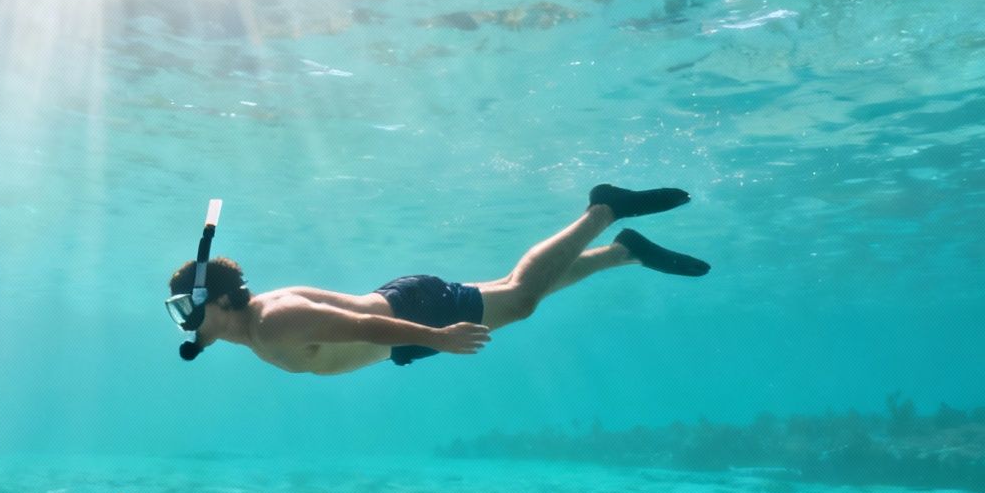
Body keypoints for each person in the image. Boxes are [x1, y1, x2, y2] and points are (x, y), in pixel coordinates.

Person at [163, 184, 707, 375]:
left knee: (520, 297)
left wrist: (437, 338)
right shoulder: (262, 321)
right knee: (514, 291)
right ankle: (622, 253)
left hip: (408, 319)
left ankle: (603, 213)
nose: (185, 322)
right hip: (405, 322)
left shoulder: (273, 321)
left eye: (186, 307)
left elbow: (360, 328)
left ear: (215, 299)